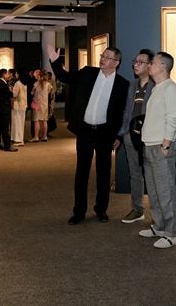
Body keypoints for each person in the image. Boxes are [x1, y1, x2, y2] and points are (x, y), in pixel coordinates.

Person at [48, 44, 129, 225]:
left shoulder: (122, 84)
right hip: (84, 131)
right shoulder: (88, 73)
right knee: (81, 172)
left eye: (107, 57)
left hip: (105, 134)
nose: (102, 59)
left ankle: (101, 209)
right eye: (102, 55)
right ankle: (79, 211)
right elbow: (65, 77)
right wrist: (55, 61)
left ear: (116, 63)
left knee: (103, 173)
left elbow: (121, 112)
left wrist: (119, 136)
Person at [138, 52, 176, 248]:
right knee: (154, 191)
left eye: (152, 62)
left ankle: (172, 234)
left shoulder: (170, 88)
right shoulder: (157, 88)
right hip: (149, 146)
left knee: (166, 192)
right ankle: (160, 226)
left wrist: (165, 145)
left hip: (160, 147)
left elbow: (173, 118)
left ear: (163, 66)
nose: (149, 65)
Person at [116, 49, 155, 224]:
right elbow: (127, 110)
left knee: (152, 176)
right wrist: (123, 133)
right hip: (130, 136)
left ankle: (157, 214)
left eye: (140, 62)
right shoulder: (132, 85)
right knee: (135, 174)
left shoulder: (156, 86)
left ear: (150, 65)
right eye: (135, 61)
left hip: (149, 138)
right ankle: (137, 209)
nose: (135, 65)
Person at [0, 69, 15, 152]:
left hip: (0, 108)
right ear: (3, 75)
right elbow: (10, 94)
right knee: (5, 127)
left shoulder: (0, 83)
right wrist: (11, 90)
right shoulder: (2, 84)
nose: (8, 75)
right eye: (7, 74)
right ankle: (7, 145)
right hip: (4, 108)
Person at [31, 70, 52, 142]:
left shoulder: (36, 84)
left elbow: (32, 93)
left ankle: (36, 136)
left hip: (37, 104)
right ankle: (45, 136)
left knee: (36, 120)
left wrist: (33, 91)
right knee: (45, 120)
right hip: (45, 104)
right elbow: (49, 92)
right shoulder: (48, 84)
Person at [11, 69, 27, 146]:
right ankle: (19, 138)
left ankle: (18, 139)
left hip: (17, 105)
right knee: (21, 123)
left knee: (17, 123)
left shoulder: (17, 83)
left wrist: (11, 90)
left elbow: (15, 94)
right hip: (23, 105)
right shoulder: (25, 83)